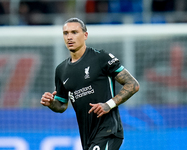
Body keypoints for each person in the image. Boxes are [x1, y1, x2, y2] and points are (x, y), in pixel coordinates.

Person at [40, 18, 140, 150]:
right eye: (66, 33)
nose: (69, 37)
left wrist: (108, 105)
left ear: (85, 35)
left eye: (74, 32)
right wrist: (51, 103)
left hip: (108, 130)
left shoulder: (101, 58)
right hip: (87, 135)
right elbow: (61, 105)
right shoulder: (61, 70)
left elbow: (132, 84)